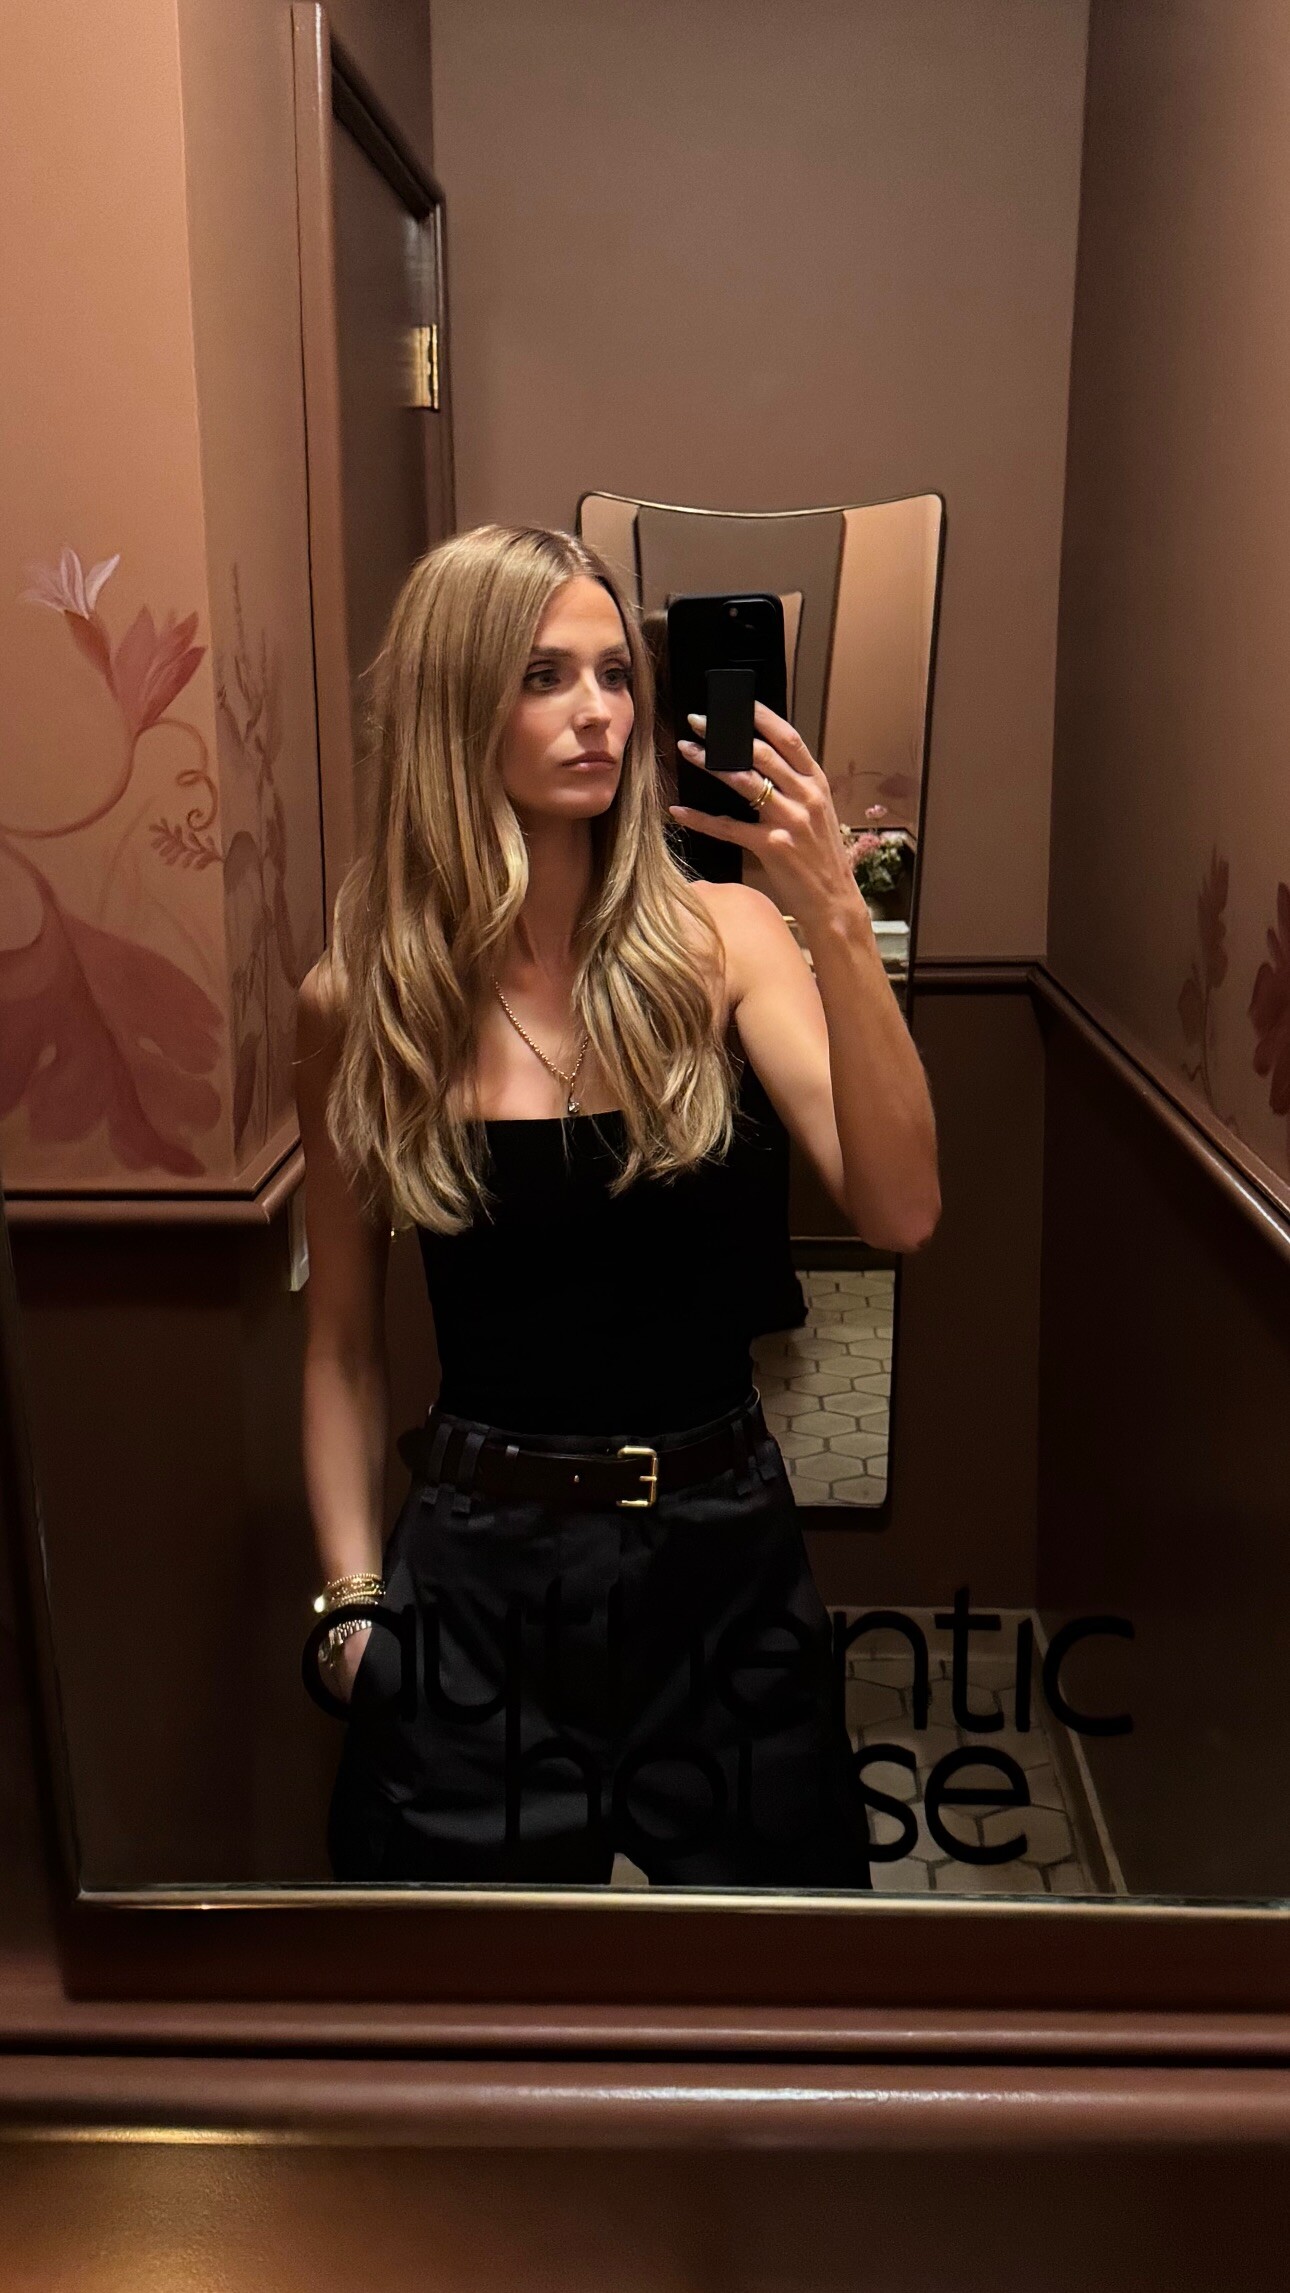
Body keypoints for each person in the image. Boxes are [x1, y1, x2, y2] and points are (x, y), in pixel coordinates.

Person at [295, 523, 940, 1889]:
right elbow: (341, 1345)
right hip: (477, 1575)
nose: (597, 710)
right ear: (455, 706)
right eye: (543, 675)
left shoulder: (726, 940)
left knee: (786, 1966)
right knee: (459, 1983)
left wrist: (832, 912)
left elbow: (900, 1210)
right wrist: (351, 1607)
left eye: (613, 675)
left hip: (720, 1553)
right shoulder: (363, 1004)